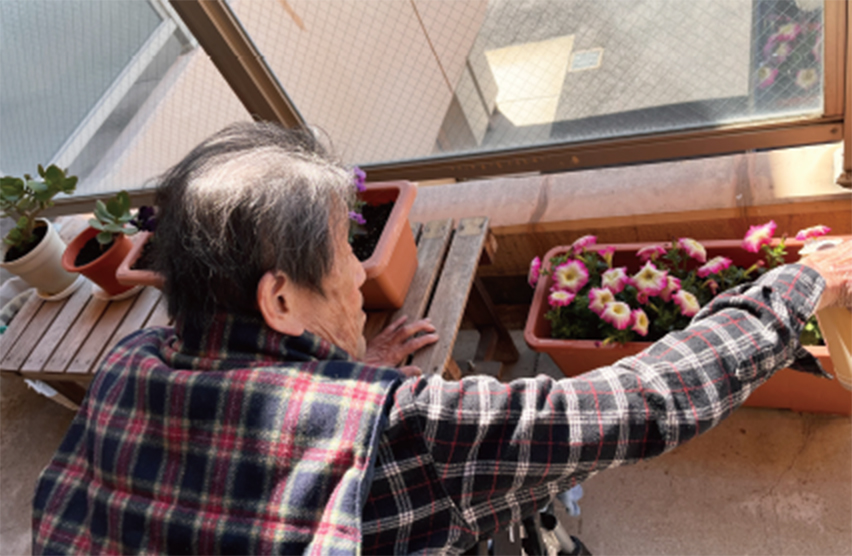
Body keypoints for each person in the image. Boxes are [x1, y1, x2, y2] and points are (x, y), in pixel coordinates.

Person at [32, 122, 852, 555]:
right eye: (343, 254)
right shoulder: (413, 433)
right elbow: (637, 406)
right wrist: (800, 286)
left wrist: (348, 367)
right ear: (280, 299)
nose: (360, 275)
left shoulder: (130, 364)